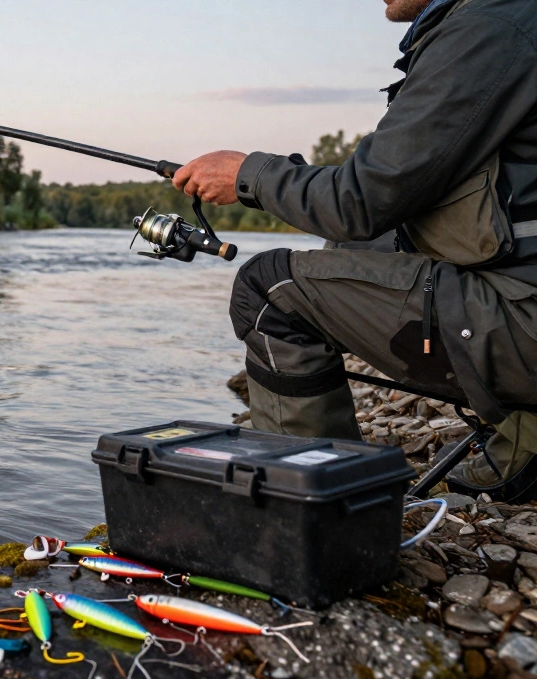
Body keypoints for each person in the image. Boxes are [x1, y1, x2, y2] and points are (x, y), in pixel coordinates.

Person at [172, 0, 537, 491]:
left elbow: (360, 198)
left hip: (526, 316)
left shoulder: (488, 29)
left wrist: (247, 175)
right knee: (348, 246)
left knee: (269, 291)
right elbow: (372, 209)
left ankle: (314, 503)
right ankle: (524, 443)